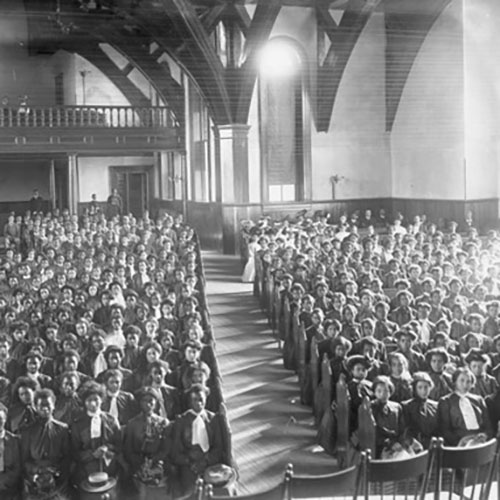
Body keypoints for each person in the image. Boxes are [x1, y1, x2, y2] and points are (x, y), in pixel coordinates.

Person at [171, 384, 225, 495]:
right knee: (191, 491)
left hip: (209, 464)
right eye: (194, 400)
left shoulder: (213, 419)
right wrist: (190, 461)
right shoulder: (181, 421)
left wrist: (206, 460)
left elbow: (218, 447)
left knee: (215, 491)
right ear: (189, 402)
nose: (198, 403)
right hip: (189, 466)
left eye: (201, 399)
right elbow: (176, 451)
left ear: (206, 399)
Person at [20, 388, 71, 500]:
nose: (44, 408)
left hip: (58, 480)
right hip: (34, 480)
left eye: (48, 405)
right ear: (35, 407)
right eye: (40, 406)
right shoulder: (27, 431)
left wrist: (56, 473)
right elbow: (24, 460)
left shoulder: (62, 429)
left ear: (53, 405)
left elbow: (67, 457)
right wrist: (37, 472)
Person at [123, 387, 171, 499]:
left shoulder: (163, 423)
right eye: (145, 401)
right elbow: (128, 450)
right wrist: (141, 463)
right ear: (140, 403)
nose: (148, 404)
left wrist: (154, 460)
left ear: (155, 403)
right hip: (138, 464)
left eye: (151, 401)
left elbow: (166, 448)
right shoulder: (132, 424)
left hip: (158, 463)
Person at [437, 367, 493, 446]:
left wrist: (485, 435)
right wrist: (460, 442)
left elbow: (488, 425)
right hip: (459, 442)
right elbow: (445, 430)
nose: (465, 384)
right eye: (462, 380)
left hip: (480, 440)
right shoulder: (446, 401)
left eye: (468, 381)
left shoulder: (478, 400)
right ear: (455, 381)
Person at [402, 372, 439, 449]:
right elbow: (405, 432)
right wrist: (412, 442)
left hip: (433, 445)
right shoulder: (406, 406)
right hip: (414, 447)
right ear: (415, 388)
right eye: (420, 387)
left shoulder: (436, 406)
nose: (424, 390)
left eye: (426, 387)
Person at [0, 402, 22, 500]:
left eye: (0, 419)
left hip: (8, 487)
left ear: (5, 420)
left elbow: (18, 466)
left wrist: (3, 481)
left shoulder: (14, 440)